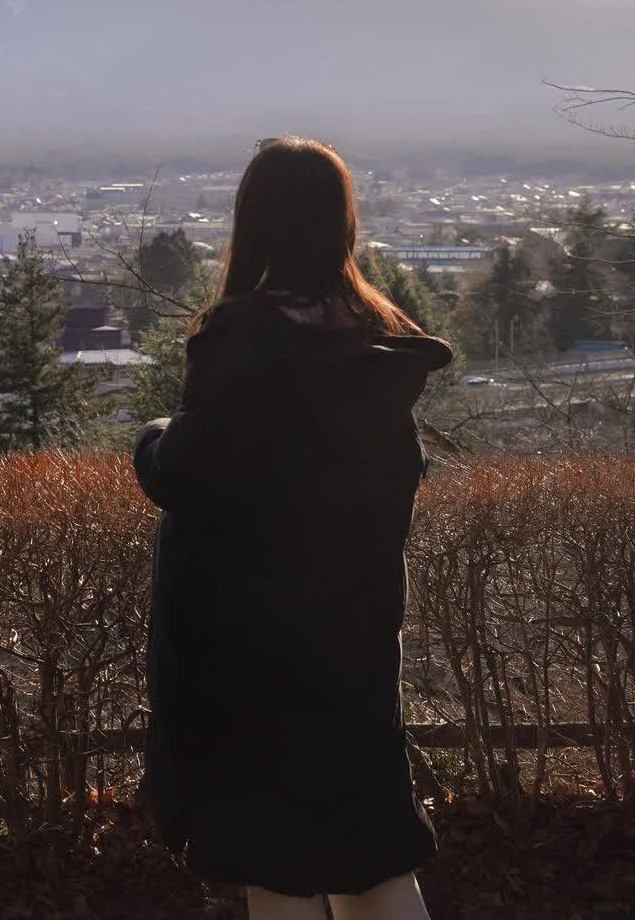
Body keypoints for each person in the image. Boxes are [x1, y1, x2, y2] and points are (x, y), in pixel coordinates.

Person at [132, 137, 452, 920]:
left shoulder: (242, 343)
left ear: (255, 224)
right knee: (368, 846)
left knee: (274, 856)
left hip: (253, 644)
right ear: (342, 223)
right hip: (356, 633)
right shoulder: (376, 344)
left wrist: (150, 436)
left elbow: (191, 472)